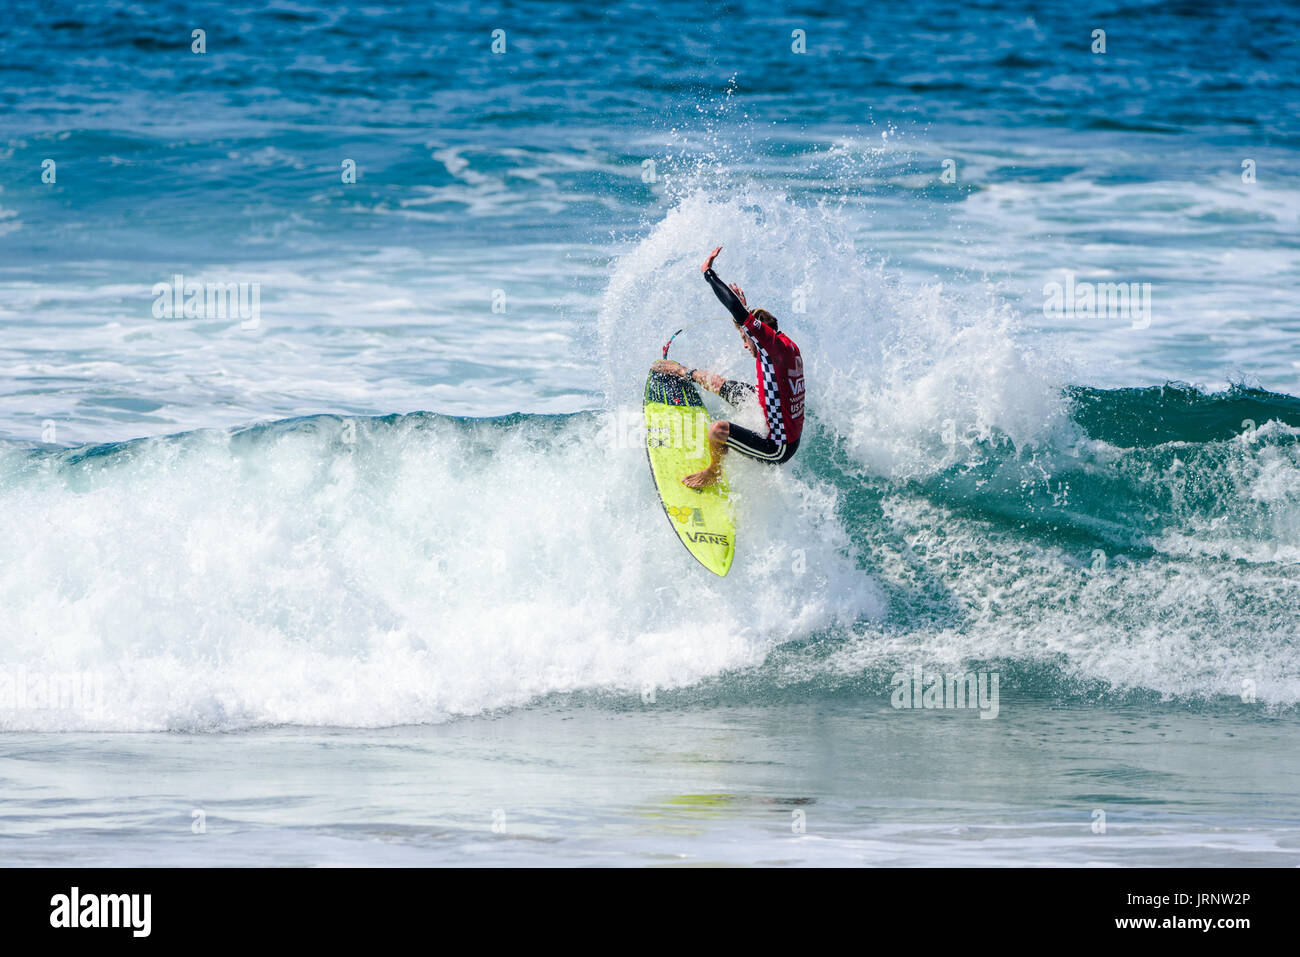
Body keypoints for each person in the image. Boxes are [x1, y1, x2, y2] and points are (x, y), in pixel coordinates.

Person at [651, 246, 805, 488]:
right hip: (765, 402)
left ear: (756, 338)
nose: (745, 346)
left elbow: (735, 310)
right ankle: (683, 372)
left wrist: (708, 273)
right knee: (721, 383)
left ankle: (713, 472)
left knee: (718, 431)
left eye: (746, 340)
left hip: (779, 446)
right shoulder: (783, 344)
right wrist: (745, 318)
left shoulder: (771, 347)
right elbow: (752, 328)